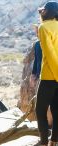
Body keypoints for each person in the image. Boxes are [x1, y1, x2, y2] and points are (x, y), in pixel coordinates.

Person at [36, 1, 58, 146]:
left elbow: (50, 55)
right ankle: (54, 141)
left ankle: (44, 142)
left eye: (42, 11)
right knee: (56, 109)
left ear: (48, 11)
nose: (40, 13)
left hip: (50, 77)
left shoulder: (43, 27)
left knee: (40, 111)